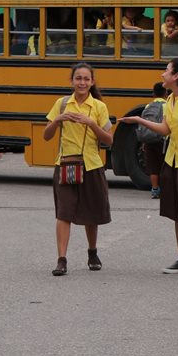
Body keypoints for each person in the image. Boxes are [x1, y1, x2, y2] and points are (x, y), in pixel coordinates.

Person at [120, 58, 178, 279]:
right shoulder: (171, 99)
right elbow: (166, 130)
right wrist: (139, 120)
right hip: (172, 161)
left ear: (176, 76)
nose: (163, 74)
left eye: (166, 70)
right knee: (176, 211)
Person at [42, 62, 114, 276]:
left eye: (86, 79)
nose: (82, 82)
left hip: (91, 165)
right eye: (78, 78)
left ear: (92, 82)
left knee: (91, 213)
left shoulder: (99, 107)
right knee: (64, 213)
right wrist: (57, 120)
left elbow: (109, 141)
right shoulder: (62, 104)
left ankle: (92, 252)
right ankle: (61, 259)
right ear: (71, 81)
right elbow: (46, 136)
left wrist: (91, 124)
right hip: (65, 164)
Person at [141, 82, 167, 199]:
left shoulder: (148, 106)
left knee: (153, 166)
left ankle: (155, 189)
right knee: (163, 165)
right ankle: (165, 189)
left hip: (149, 140)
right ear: (166, 93)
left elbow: (143, 125)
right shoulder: (167, 105)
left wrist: (143, 141)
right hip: (163, 140)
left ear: (153, 94)